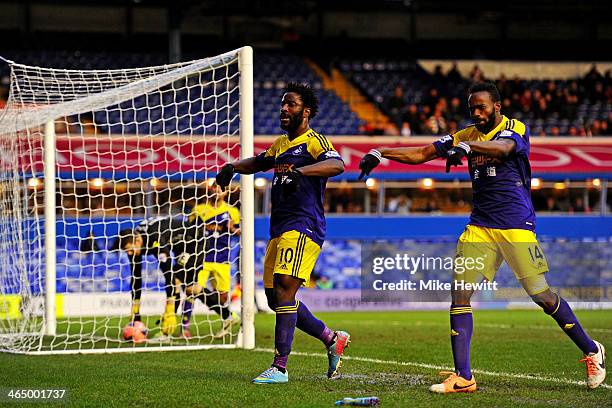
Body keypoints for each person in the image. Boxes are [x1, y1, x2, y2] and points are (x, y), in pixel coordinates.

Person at [358, 81, 606, 393]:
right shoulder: (465, 135)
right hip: (480, 227)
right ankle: (464, 376)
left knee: (541, 296)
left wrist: (468, 147)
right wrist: (381, 153)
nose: (476, 113)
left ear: (497, 107)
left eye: (482, 107)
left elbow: (504, 148)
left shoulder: (514, 128)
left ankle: (591, 349)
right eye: (472, 108)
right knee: (460, 293)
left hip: (516, 225)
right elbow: (423, 153)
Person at [215, 82, 350, 384]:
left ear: (307, 111)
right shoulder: (280, 145)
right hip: (279, 228)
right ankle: (331, 338)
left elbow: (337, 164)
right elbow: (259, 162)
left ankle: (279, 367)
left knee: (285, 289)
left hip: (303, 224)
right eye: (283, 104)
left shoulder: (313, 141)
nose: (284, 109)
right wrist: (233, 166)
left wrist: (302, 171)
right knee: (275, 298)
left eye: (290, 104)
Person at [180, 182, 241, 339]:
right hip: (202, 257)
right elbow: (188, 230)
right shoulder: (199, 209)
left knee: (222, 295)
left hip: (222, 258)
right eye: (215, 188)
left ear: (226, 193)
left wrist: (232, 228)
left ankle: (226, 321)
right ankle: (184, 327)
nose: (217, 191)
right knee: (192, 290)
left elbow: (239, 232)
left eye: (221, 189)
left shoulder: (232, 211)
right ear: (210, 190)